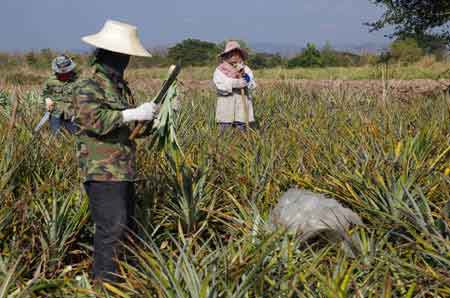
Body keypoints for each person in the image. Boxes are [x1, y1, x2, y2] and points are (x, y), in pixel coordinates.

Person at [72, 20, 159, 282]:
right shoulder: (89, 85)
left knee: (126, 230)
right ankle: (106, 286)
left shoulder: (119, 86)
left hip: (123, 169)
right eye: (123, 55)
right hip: (102, 171)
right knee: (112, 229)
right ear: (110, 54)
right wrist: (131, 113)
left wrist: (151, 119)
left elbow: (131, 130)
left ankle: (121, 282)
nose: (126, 60)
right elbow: (94, 121)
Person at [213, 41, 257, 131]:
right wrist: (235, 83)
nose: (234, 56)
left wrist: (245, 77)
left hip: (242, 102)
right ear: (226, 56)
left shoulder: (245, 69)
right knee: (225, 130)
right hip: (226, 104)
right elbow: (220, 85)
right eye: (231, 54)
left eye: (236, 54)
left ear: (240, 56)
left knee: (241, 129)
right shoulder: (220, 70)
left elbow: (252, 84)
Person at [42, 55, 80, 134]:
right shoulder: (51, 80)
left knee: (75, 134)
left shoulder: (77, 81)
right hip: (55, 112)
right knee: (56, 134)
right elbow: (45, 92)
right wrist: (47, 99)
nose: (63, 74)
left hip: (71, 114)